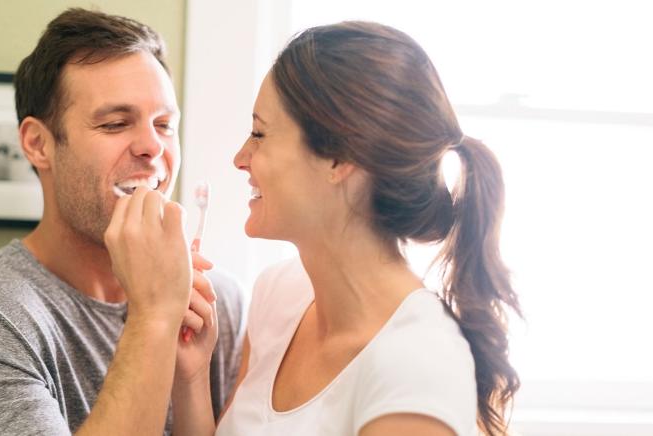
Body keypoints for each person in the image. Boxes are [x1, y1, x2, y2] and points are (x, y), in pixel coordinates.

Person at [174, 21, 523, 436]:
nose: (240, 157)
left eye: (259, 133)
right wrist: (192, 378)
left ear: (339, 159)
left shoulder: (416, 368)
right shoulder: (278, 295)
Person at [0, 8, 244, 436]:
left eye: (164, 124)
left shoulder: (221, 304)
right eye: (115, 123)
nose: (151, 146)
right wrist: (153, 316)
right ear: (38, 144)